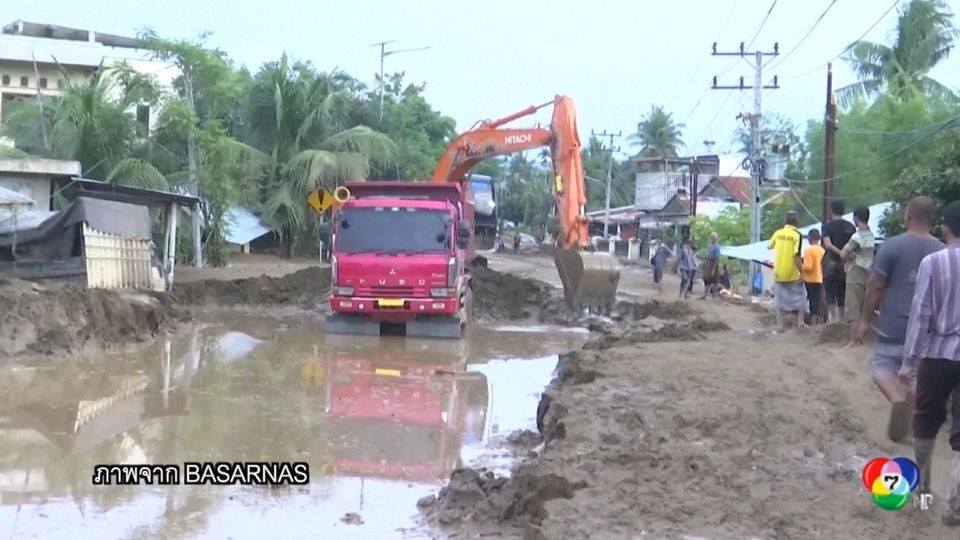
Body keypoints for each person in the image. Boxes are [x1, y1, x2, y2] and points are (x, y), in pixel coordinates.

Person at [853, 197, 943, 443]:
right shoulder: (941, 252)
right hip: (926, 329)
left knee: (882, 367)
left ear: (908, 216)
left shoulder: (892, 247)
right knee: (915, 376)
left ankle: (897, 399)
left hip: (893, 323)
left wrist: (864, 321)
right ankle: (912, 429)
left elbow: (875, 285)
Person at [902, 200, 960, 526]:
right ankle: (956, 507)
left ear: (945, 229)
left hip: (937, 354)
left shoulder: (933, 262)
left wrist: (908, 361)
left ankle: (922, 495)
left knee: (925, 421)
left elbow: (920, 316)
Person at [840, 206, 875, 347]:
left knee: (853, 307)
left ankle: (853, 340)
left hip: (855, 273)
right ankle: (864, 339)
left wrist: (848, 259)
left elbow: (843, 253)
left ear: (855, 218)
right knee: (865, 307)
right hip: (869, 273)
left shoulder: (857, 236)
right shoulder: (871, 235)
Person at [768, 211, 806, 332]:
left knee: (778, 299)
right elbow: (796, 256)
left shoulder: (778, 233)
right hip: (792, 273)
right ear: (797, 222)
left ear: (785, 221)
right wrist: (802, 273)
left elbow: (769, 246)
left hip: (778, 271)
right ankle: (800, 323)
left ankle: (780, 325)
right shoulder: (797, 235)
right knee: (802, 296)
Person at [821, 199, 856, 322]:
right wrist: (845, 254)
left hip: (831, 260)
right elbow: (854, 245)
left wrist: (839, 252)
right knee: (843, 290)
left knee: (830, 290)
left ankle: (833, 319)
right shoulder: (850, 226)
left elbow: (827, 244)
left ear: (831, 210)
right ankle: (842, 319)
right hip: (846, 262)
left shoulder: (827, 226)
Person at [802, 229, 825, 325]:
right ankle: (818, 321)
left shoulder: (808, 250)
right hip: (821, 278)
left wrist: (799, 265)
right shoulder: (822, 250)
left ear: (809, 238)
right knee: (818, 300)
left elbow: (808, 267)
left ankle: (812, 322)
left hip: (810, 279)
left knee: (811, 300)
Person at [702, 232, 721, 300]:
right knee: (707, 279)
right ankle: (704, 295)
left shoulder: (717, 247)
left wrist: (714, 268)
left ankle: (714, 296)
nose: (711, 239)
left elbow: (717, 258)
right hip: (709, 262)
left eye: (712, 237)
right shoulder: (710, 246)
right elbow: (708, 256)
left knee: (714, 280)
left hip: (713, 263)